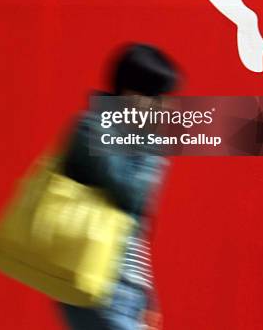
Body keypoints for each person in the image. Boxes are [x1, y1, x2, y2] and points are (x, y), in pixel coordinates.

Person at [53, 43, 181, 330]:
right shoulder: (94, 129)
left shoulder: (126, 135)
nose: (164, 105)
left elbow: (132, 228)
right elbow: (132, 195)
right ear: (130, 92)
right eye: (156, 95)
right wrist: (152, 144)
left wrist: (148, 295)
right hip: (97, 286)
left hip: (125, 288)